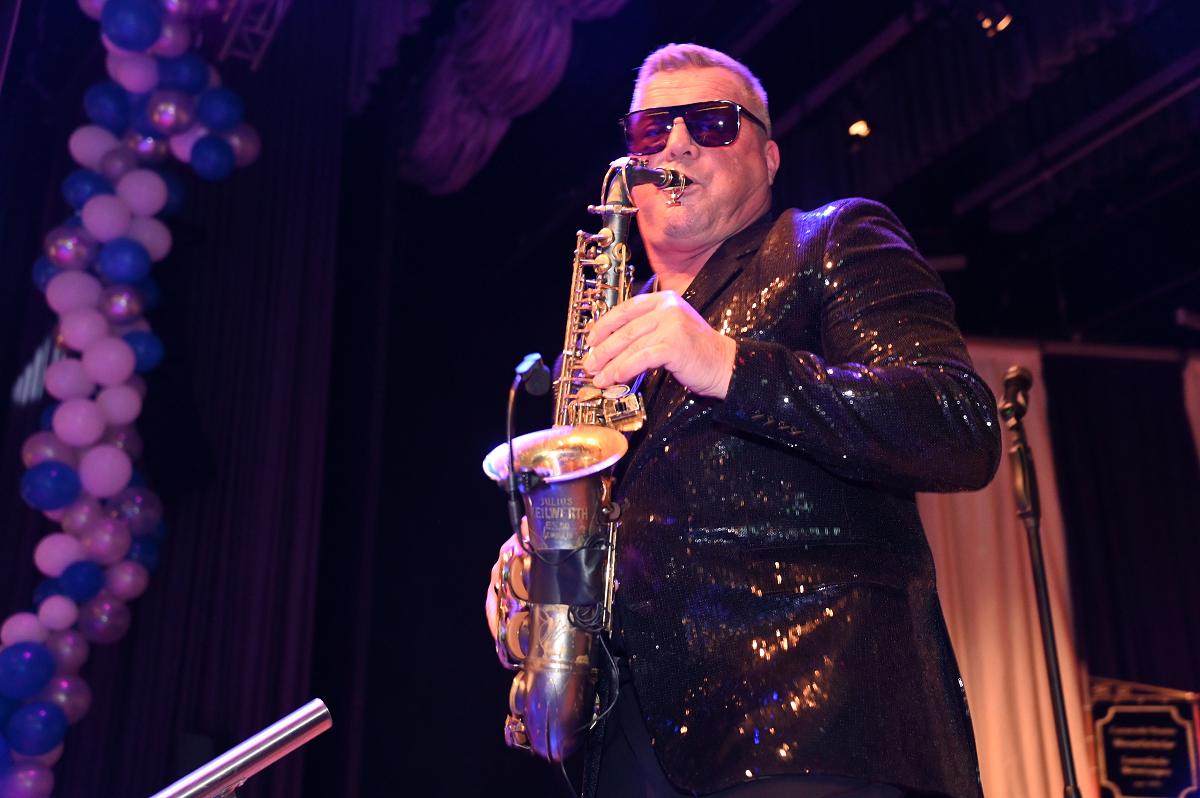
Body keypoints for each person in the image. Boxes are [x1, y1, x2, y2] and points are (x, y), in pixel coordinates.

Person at [488, 43, 1000, 798]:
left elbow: (958, 424)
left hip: (813, 725)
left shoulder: (833, 238)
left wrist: (729, 365)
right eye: (651, 130)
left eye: (712, 123)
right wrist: (542, 552)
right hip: (629, 746)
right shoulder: (608, 334)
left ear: (768, 156)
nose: (677, 144)